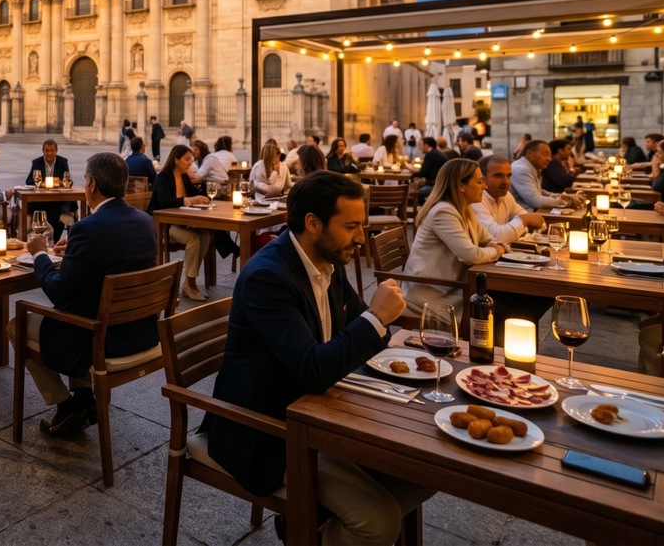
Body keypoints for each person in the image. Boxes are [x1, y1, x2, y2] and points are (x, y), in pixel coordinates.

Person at [205, 171, 430, 545]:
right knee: (378, 522)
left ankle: (311, 525)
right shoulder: (268, 276)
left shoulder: (328, 260)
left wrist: (376, 324)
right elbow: (314, 368)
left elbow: (364, 336)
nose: (361, 237)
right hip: (268, 428)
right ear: (313, 223)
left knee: (426, 470)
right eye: (352, 226)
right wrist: (375, 318)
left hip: (325, 411)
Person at [11, 152, 158, 437]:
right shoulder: (144, 221)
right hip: (141, 331)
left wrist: (40, 252)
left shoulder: (88, 229)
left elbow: (57, 291)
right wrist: (77, 253)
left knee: (16, 325)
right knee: (77, 311)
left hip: (100, 338)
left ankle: (66, 405)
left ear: (91, 186)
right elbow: (111, 260)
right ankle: (83, 399)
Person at [403, 160, 547, 326]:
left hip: (456, 287)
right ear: (461, 186)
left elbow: (488, 240)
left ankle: (512, 350)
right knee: (513, 313)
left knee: (526, 302)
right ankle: (487, 351)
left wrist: (498, 247)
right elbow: (471, 255)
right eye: (479, 182)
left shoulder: (464, 209)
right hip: (433, 293)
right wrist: (499, 250)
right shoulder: (443, 211)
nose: (484, 187)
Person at [152, 144, 213, 301]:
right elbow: (164, 201)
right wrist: (190, 200)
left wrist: (205, 189)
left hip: (178, 223)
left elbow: (195, 194)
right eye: (187, 159)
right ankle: (190, 284)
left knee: (205, 235)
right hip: (163, 225)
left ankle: (188, 282)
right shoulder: (164, 176)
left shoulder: (184, 177)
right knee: (193, 238)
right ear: (176, 160)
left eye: (191, 160)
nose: (190, 163)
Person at [472, 154, 547, 246]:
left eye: (508, 176)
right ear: (482, 178)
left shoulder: (506, 196)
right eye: (498, 176)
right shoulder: (476, 200)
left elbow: (539, 223)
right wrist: (523, 221)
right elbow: (494, 237)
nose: (506, 182)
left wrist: (521, 225)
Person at [510, 140, 580, 211]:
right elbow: (535, 200)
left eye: (550, 155)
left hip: (535, 212)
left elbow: (538, 191)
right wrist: (565, 202)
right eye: (545, 154)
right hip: (524, 217)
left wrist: (560, 196)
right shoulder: (521, 169)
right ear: (530, 153)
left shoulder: (532, 168)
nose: (549, 159)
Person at [26, 140, 71, 231]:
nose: (49, 153)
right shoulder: (37, 162)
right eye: (47, 150)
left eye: (52, 150)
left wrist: (58, 183)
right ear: (43, 151)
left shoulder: (62, 162)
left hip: (58, 199)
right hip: (40, 199)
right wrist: (43, 184)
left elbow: (69, 181)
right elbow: (29, 181)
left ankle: (54, 239)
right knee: (44, 210)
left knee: (58, 212)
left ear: (56, 151)